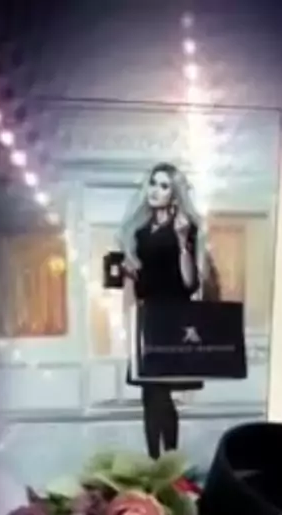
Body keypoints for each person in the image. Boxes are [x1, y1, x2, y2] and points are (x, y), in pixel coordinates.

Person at [119, 162, 210, 460]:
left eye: (164, 186)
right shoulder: (141, 230)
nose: (155, 191)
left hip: (173, 318)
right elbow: (137, 281)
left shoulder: (185, 227)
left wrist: (183, 244)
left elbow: (190, 283)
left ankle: (167, 460)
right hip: (147, 318)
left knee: (158, 391)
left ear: (175, 193)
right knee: (150, 393)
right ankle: (157, 461)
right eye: (153, 183)